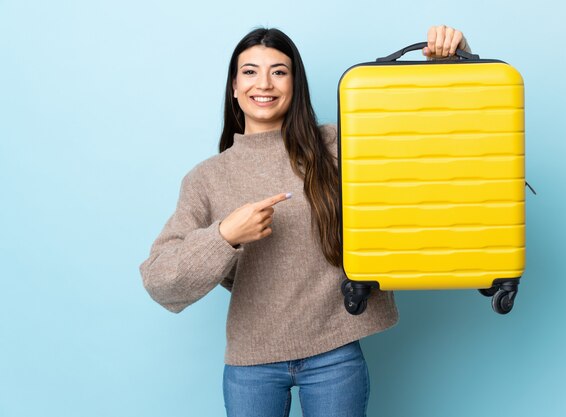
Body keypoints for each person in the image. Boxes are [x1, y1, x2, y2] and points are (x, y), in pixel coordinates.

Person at [140, 24, 471, 417]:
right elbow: (160, 280)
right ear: (233, 86)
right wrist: (225, 235)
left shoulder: (335, 146)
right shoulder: (206, 179)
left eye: (279, 71)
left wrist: (454, 64)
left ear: (296, 85)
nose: (264, 82)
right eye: (249, 71)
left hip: (335, 353)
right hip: (252, 362)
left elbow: (434, 141)